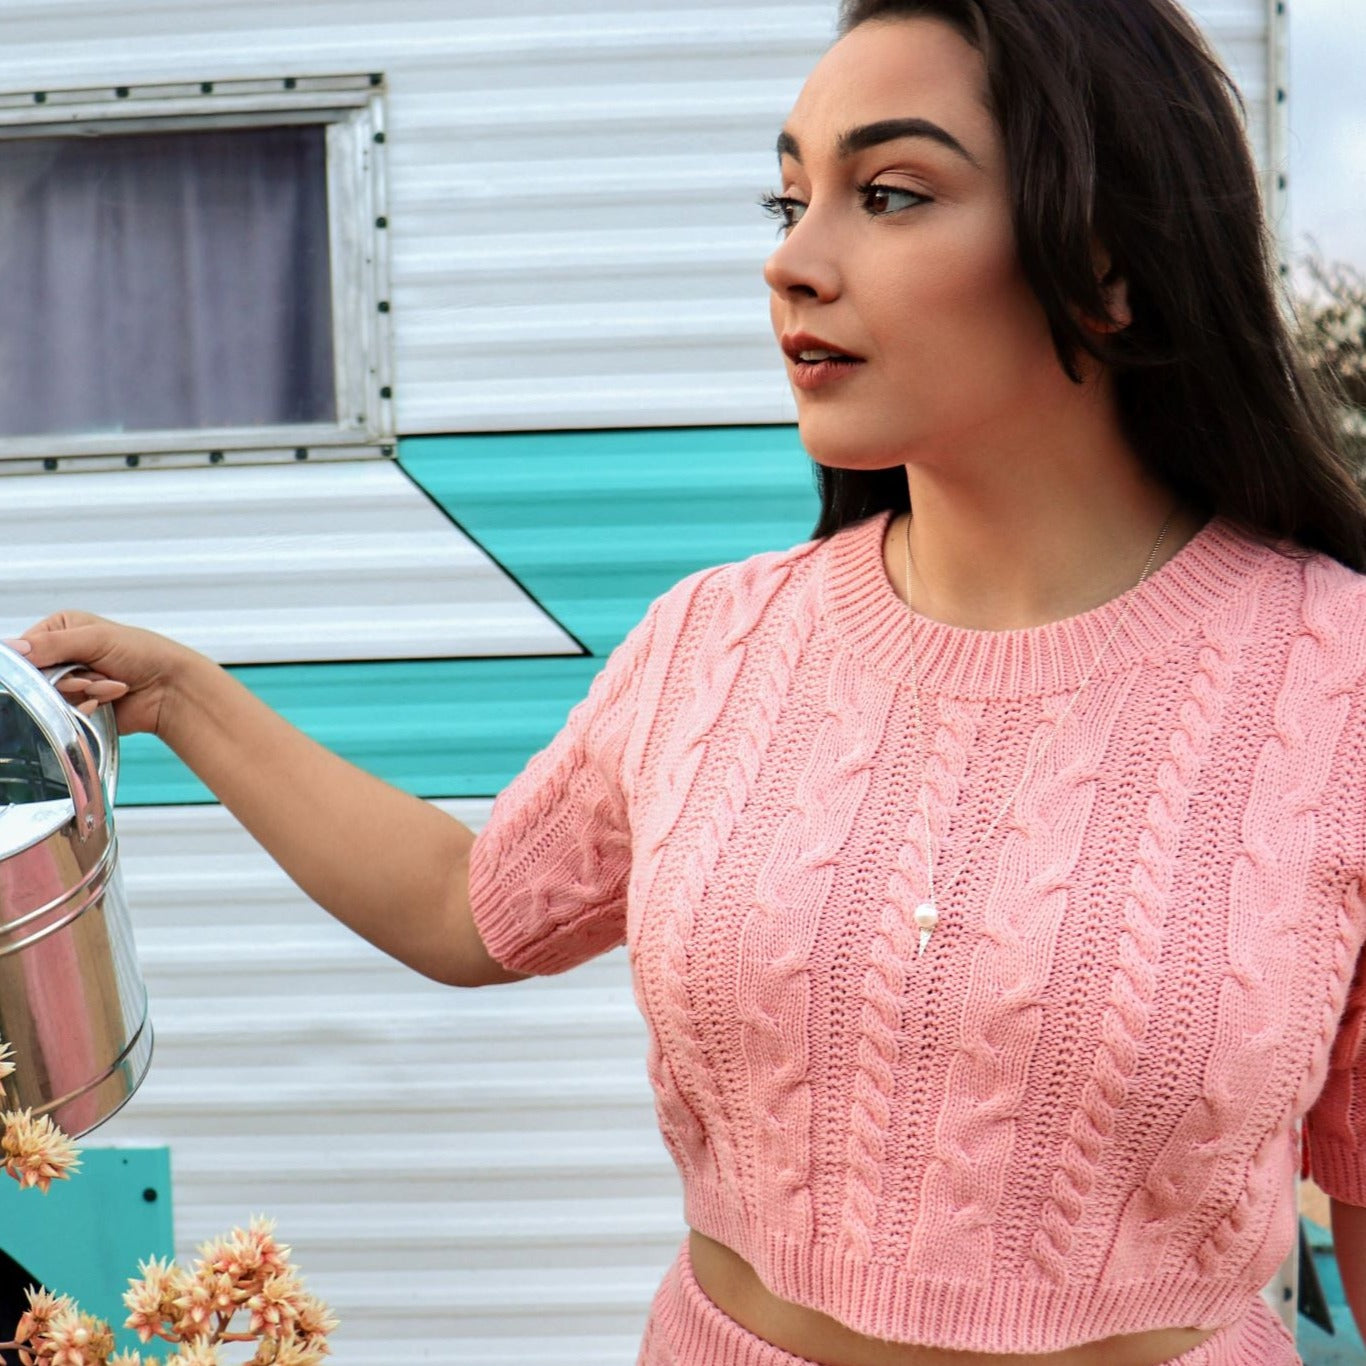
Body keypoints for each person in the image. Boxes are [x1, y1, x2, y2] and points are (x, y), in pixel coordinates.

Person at [9, 0, 1366, 1362]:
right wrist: (183, 692)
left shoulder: (1336, 682)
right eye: (786, 201)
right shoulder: (716, 643)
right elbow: (462, 905)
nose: (793, 261)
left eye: (887, 195)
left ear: (1108, 260)